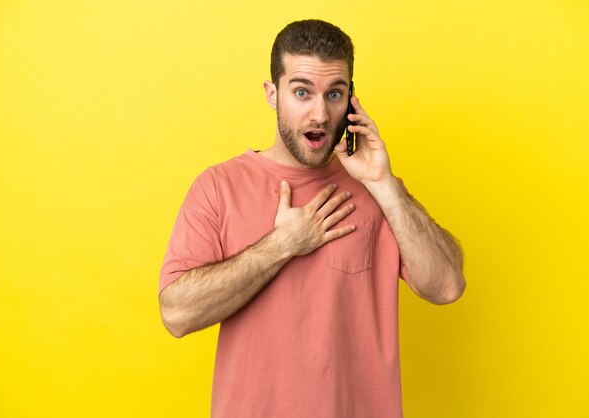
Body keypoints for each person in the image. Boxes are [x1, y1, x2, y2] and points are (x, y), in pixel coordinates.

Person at [159, 19, 465, 418]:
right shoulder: (218, 187)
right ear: (272, 94)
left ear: (351, 100)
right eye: (302, 92)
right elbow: (176, 315)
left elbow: (446, 286)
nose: (319, 113)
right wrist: (280, 246)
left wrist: (385, 184)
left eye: (334, 94)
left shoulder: (378, 190)